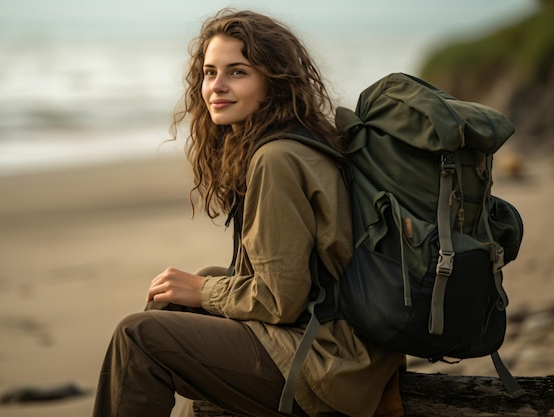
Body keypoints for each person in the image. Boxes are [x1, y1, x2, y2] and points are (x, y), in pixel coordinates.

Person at [92, 9, 405, 417]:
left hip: (328, 364)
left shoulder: (276, 159)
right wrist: (201, 289)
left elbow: (281, 301)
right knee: (181, 297)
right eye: (208, 73)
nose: (215, 87)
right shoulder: (299, 140)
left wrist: (203, 292)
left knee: (138, 336)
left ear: (273, 81)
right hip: (337, 344)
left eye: (236, 72)